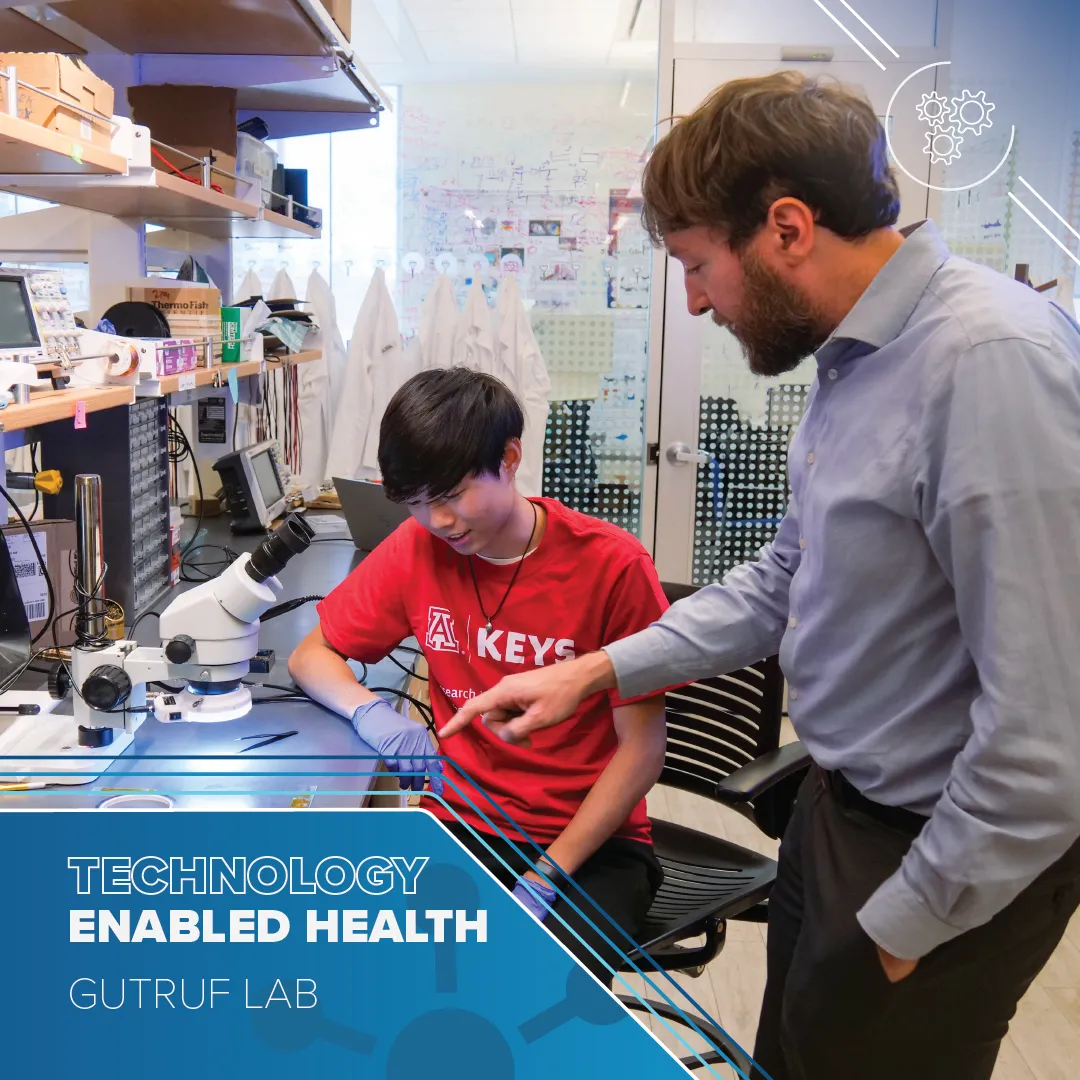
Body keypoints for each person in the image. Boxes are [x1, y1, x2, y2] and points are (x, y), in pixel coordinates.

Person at [440, 71, 1080, 1079]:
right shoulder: (856, 360)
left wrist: (907, 926)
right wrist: (595, 672)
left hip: (936, 852)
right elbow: (787, 577)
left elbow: (1052, 737)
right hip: (842, 817)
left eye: (698, 265)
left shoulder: (988, 362)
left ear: (785, 228)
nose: (693, 301)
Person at [288, 368, 669, 982]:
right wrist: (373, 714)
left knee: (528, 989)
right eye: (415, 502)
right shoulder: (418, 551)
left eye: (451, 494)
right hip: (463, 824)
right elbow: (312, 656)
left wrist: (546, 876)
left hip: (591, 844)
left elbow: (644, 751)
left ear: (510, 457)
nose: (438, 520)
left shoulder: (612, 566)